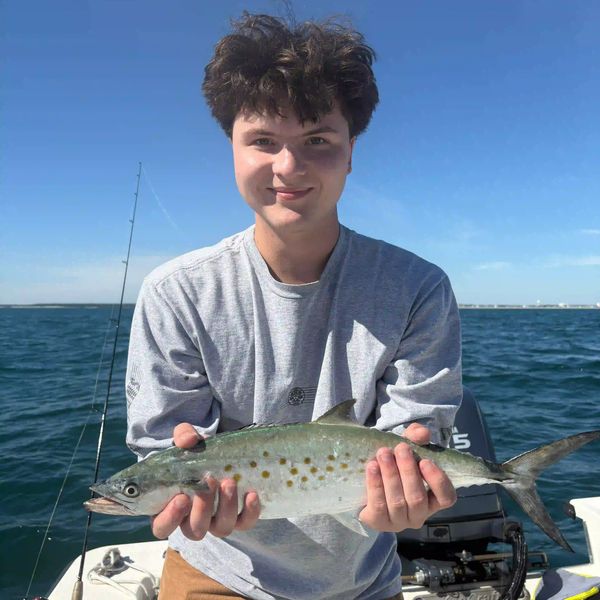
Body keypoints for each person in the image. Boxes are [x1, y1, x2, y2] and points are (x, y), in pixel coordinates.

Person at [125, 12, 462, 600]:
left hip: (364, 576)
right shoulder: (175, 292)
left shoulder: (419, 287)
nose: (288, 167)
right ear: (230, 146)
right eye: (262, 140)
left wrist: (413, 491)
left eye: (317, 141)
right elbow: (162, 449)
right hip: (214, 570)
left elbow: (417, 438)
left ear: (351, 151)